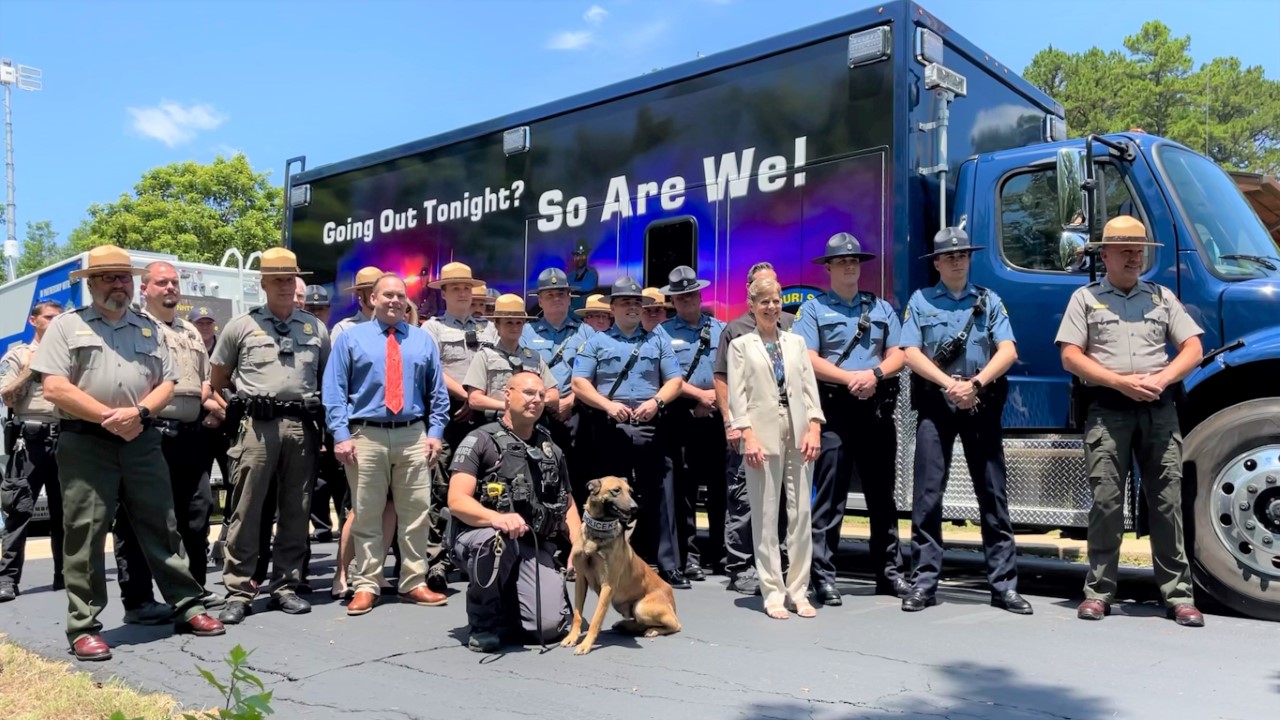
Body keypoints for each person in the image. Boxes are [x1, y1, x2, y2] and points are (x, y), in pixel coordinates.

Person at [29, 245, 224, 661]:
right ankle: (84, 626)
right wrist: (106, 416)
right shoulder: (68, 326)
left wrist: (139, 412)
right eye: (109, 277)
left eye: (124, 277)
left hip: (141, 438)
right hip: (86, 442)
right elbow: (54, 387)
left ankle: (187, 605)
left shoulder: (149, 328)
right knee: (85, 533)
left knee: (162, 524)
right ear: (93, 284)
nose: (119, 284)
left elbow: (168, 381)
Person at [1054, 215, 1206, 627]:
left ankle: (1178, 596)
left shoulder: (1161, 298)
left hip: (1159, 409)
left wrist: (1162, 378)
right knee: (1106, 502)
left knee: (1167, 502)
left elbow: (1192, 347)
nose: (1135, 258)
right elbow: (1070, 355)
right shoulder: (1085, 299)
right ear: (1105, 255)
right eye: (1125, 250)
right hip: (1108, 410)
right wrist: (1120, 383)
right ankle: (1099, 593)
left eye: (1139, 251)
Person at [899, 227, 1031, 615]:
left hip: (980, 403)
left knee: (992, 496)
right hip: (936, 408)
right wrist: (948, 385)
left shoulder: (989, 300)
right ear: (936, 262)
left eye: (963, 255)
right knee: (927, 497)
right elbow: (909, 351)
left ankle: (1004, 586)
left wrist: (974, 383)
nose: (958, 260)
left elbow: (1007, 350)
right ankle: (924, 583)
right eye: (949, 256)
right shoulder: (921, 301)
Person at [211, 247, 330, 624]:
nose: (283, 285)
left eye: (289, 278)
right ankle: (238, 588)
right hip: (257, 429)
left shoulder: (314, 328)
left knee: (298, 507)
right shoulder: (240, 326)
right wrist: (243, 405)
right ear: (263, 284)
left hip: (301, 428)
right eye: (275, 279)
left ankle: (286, 586)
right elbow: (218, 381)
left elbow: (329, 379)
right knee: (246, 508)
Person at [324, 273, 451, 615]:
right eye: (387, 295)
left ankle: (413, 582)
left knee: (416, 513)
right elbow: (334, 391)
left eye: (400, 295)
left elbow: (437, 393)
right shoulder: (351, 339)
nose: (394, 301)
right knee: (366, 513)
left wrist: (435, 433)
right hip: (366, 435)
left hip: (413, 434)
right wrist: (340, 435)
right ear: (372, 299)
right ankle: (366, 584)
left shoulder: (422, 341)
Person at [794, 233, 910, 606]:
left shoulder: (880, 307)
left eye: (855, 261)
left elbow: (899, 354)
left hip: (875, 408)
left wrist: (873, 376)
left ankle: (889, 573)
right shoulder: (812, 310)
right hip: (834, 410)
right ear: (828, 268)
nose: (849, 266)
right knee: (830, 498)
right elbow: (806, 357)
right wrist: (851, 379)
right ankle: (823, 577)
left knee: (882, 497)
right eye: (842, 262)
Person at [112, 261, 225, 624]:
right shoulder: (134, 327)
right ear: (144, 288)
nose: (171, 288)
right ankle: (139, 601)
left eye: (174, 282)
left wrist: (207, 404)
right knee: (139, 519)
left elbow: (205, 378)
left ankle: (193, 592)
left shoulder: (191, 331)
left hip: (191, 436)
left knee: (196, 514)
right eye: (162, 283)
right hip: (149, 433)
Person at [448, 371, 580, 652]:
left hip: (532, 544)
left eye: (542, 395)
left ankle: (510, 601)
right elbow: (457, 500)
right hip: (482, 536)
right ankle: (484, 624)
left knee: (546, 628)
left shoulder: (551, 449)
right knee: (496, 543)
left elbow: (567, 503)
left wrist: (578, 547)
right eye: (528, 393)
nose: (536, 400)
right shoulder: (480, 440)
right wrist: (496, 518)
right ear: (507, 394)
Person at [571, 277, 687, 588]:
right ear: (613, 308)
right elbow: (579, 383)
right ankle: (605, 559)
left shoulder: (657, 341)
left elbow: (674, 380)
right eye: (625, 302)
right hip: (611, 428)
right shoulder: (595, 342)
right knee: (609, 501)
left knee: (662, 494)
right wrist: (607, 406)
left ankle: (669, 565)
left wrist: (656, 401)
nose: (633, 307)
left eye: (637, 302)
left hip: (650, 424)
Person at [728, 275, 824, 619]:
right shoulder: (740, 346)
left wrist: (814, 427)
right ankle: (772, 592)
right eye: (764, 301)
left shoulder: (796, 343)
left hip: (798, 432)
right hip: (762, 434)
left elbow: (810, 390)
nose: (771, 306)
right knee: (766, 516)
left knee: (800, 515)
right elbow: (736, 396)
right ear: (752, 306)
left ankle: (798, 590)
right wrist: (746, 435)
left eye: (776, 300)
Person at [713, 262, 793, 596]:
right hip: (749, 427)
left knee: (786, 497)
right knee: (744, 496)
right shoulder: (734, 330)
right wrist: (731, 423)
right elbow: (722, 379)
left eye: (773, 288)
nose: (770, 300)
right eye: (761, 289)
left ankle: (782, 563)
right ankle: (741, 566)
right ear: (749, 293)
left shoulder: (791, 326)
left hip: (786, 426)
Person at [422, 261, 498, 591]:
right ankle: (437, 561)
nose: (464, 293)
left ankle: (475, 554)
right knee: (440, 489)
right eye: (457, 288)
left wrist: (478, 398)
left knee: (484, 488)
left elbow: (496, 365)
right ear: (444, 293)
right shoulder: (433, 329)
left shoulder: (488, 327)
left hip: (482, 416)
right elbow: (433, 370)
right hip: (448, 413)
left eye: (467, 287)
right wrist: (467, 394)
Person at [659, 266, 726, 581]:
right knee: (684, 491)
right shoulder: (661, 333)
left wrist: (714, 398)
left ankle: (720, 553)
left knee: (720, 489)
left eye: (691, 294)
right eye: (680, 296)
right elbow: (666, 377)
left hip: (716, 417)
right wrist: (699, 396)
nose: (687, 300)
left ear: (700, 296)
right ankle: (690, 557)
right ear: (673, 300)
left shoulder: (721, 329)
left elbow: (731, 369)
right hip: (682, 417)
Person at [0, 300, 65, 601]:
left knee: (66, 512)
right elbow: (8, 397)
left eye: (59, 318)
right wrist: (33, 368)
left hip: (65, 437)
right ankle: (8, 580)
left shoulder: (70, 356)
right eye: (49, 318)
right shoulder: (19, 355)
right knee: (19, 509)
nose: (55, 322)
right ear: (34, 321)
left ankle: (65, 576)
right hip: (31, 440)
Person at [522, 268, 583, 504]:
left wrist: (571, 401)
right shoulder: (526, 333)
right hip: (538, 414)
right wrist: (547, 402)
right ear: (540, 300)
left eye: (561, 293)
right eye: (550, 294)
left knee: (576, 473)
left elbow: (595, 376)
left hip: (574, 413)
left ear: (569, 297)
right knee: (539, 471)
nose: (556, 298)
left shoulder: (585, 332)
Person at [464, 294, 559, 419]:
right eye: (509, 322)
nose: (514, 327)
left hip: (530, 425)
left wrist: (531, 402)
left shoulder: (534, 358)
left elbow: (554, 394)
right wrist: (510, 405)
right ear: (497, 325)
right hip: (495, 423)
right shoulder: (484, 357)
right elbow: (475, 399)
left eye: (519, 322)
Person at [332, 266, 382, 341]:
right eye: (371, 291)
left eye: (382, 291)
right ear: (359, 295)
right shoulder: (345, 329)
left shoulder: (394, 327)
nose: (375, 295)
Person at [567, 241, 599, 313]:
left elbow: (588, 285)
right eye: (577, 255)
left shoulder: (592, 273)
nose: (580, 258)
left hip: (586, 314)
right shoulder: (570, 275)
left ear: (587, 256)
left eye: (583, 255)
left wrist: (569, 286)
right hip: (570, 314)